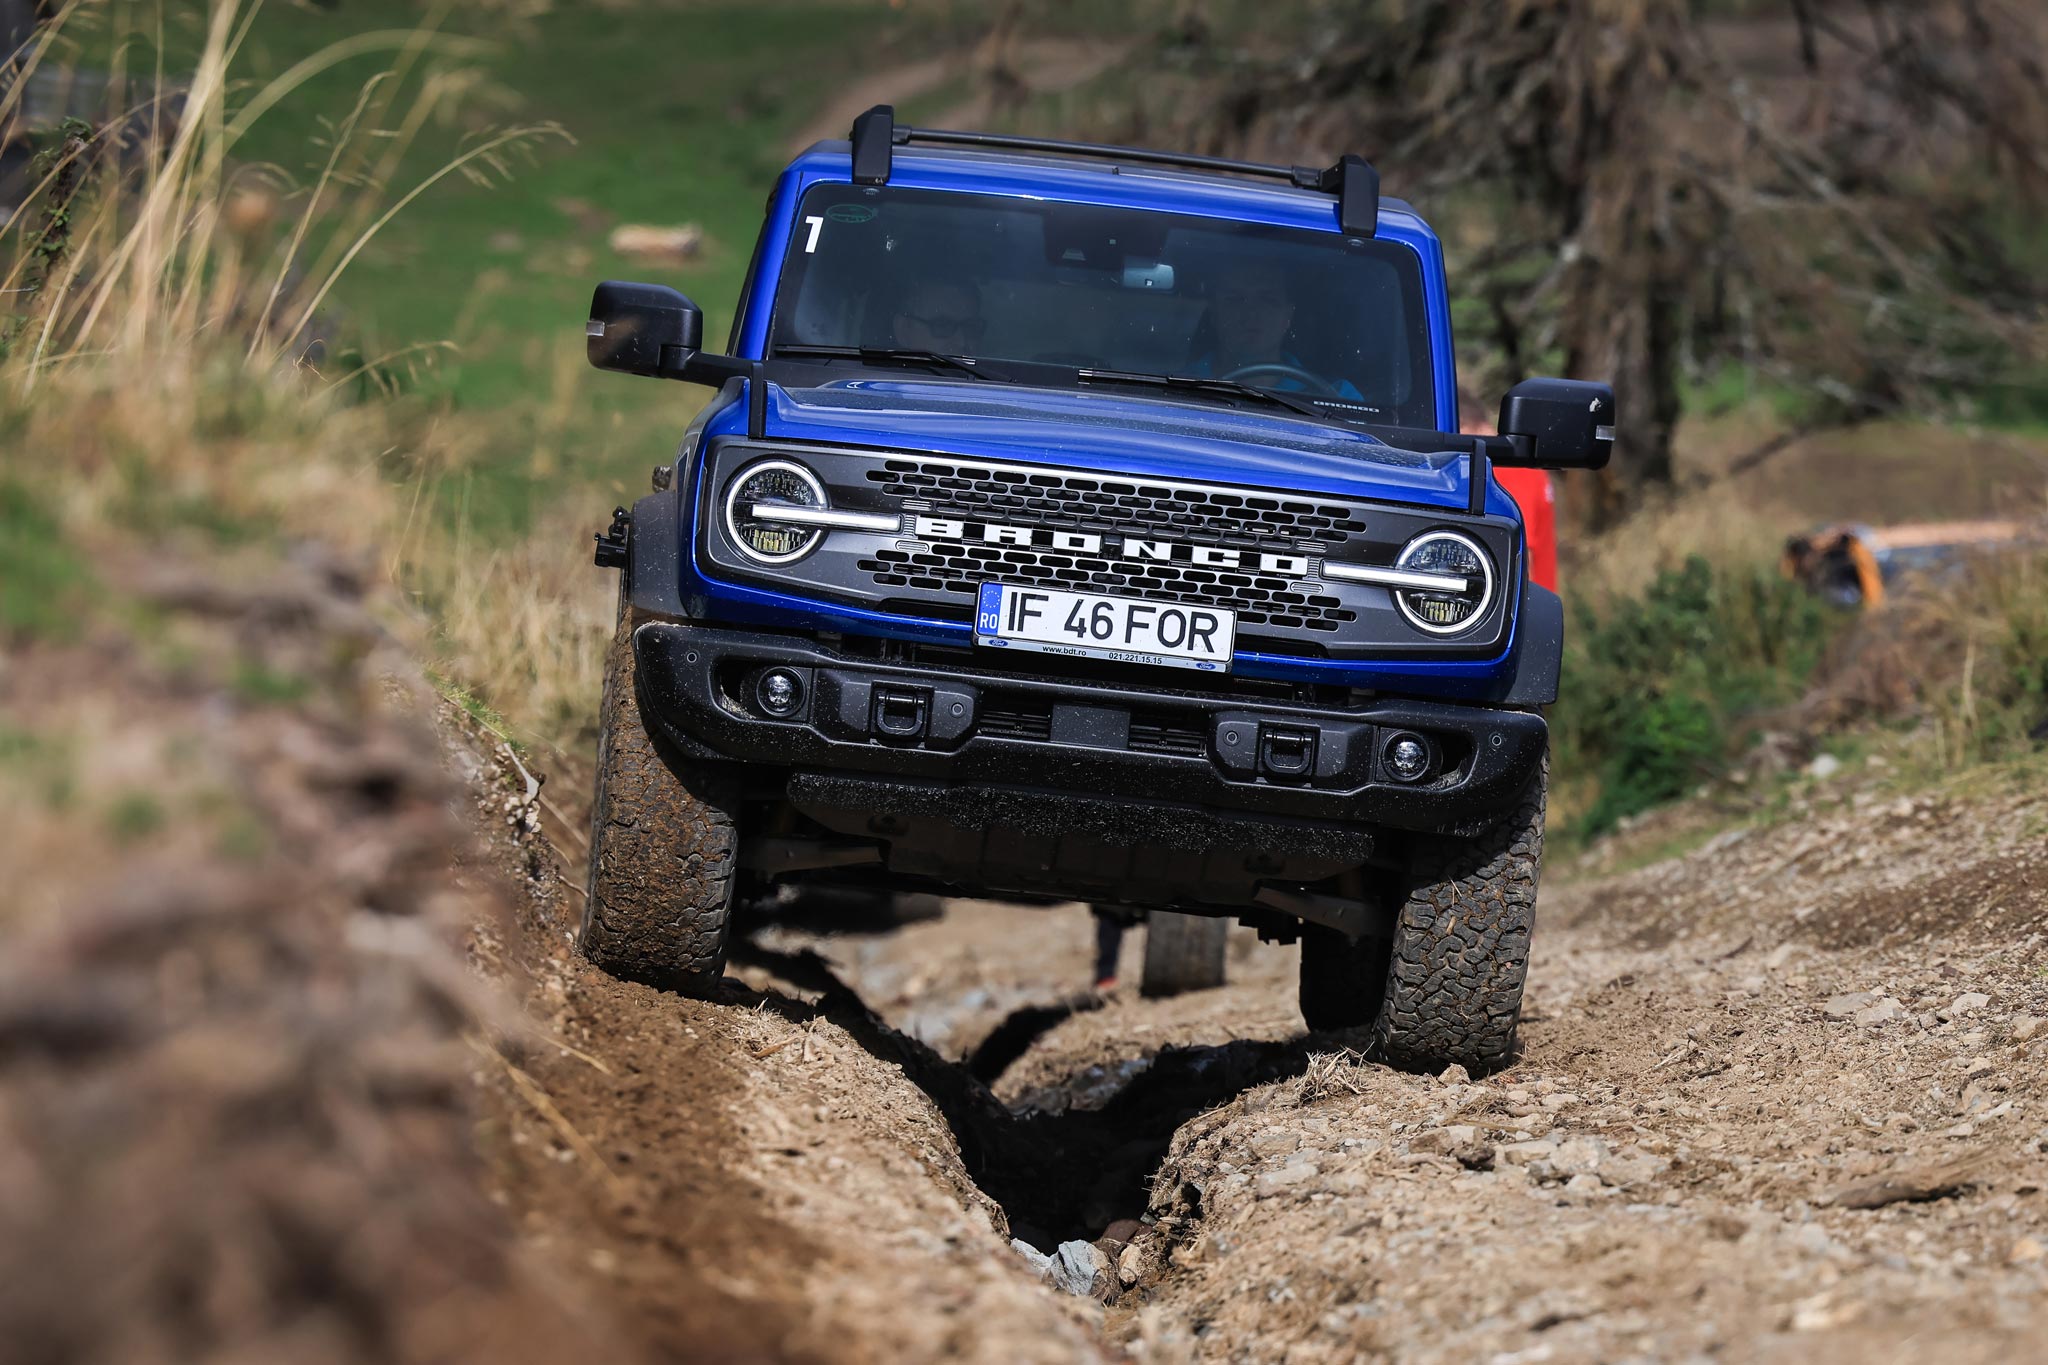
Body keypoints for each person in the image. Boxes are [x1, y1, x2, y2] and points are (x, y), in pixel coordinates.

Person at [1185, 261, 1361, 398]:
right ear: (1214, 313)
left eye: (1268, 300)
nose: (1251, 314)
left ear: (1288, 317)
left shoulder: (1337, 396)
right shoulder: (1176, 386)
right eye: (1235, 299)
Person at [889, 278, 985, 354]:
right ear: (903, 329)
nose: (962, 342)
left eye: (970, 327)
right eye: (943, 326)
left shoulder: (996, 375)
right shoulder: (878, 377)